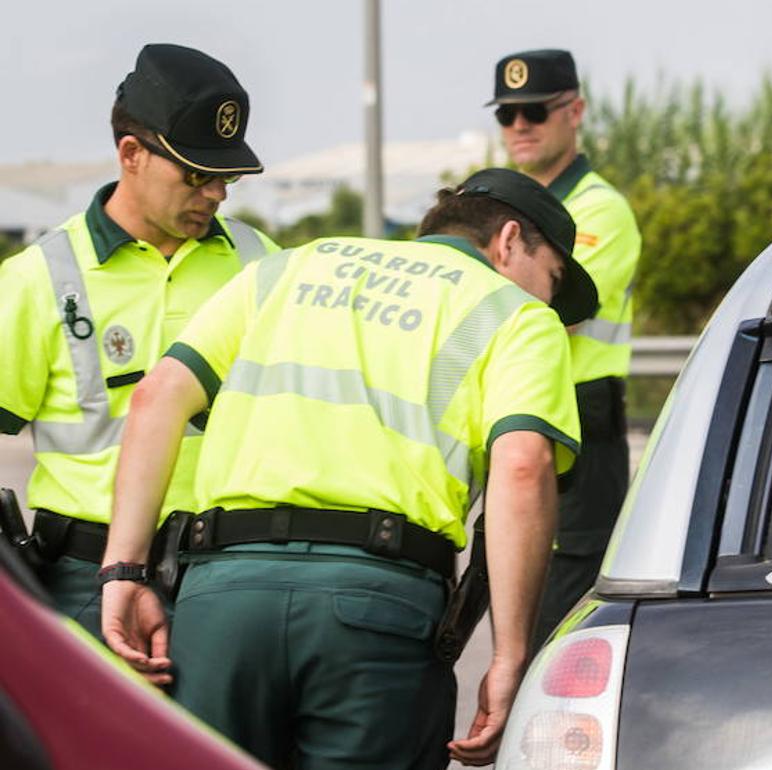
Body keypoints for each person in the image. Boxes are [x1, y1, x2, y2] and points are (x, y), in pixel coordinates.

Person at [99, 168, 597, 769]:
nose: (548, 301)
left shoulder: (284, 270)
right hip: (375, 613)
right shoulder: (513, 315)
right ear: (509, 240)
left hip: (222, 602)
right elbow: (523, 467)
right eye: (553, 278)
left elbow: (157, 398)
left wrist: (123, 570)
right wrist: (509, 655)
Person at [0, 43, 276, 639]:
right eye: (197, 175)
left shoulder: (263, 263)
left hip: (228, 574)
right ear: (131, 153)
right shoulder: (38, 277)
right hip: (82, 578)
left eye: (227, 177)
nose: (217, 194)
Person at [487, 48, 642, 643]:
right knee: (516, 615)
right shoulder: (510, 208)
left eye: (534, 111)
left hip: (584, 421)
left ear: (574, 111)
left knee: (560, 628)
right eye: (506, 114)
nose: (519, 126)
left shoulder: (600, 209)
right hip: (524, 417)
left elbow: (551, 312)